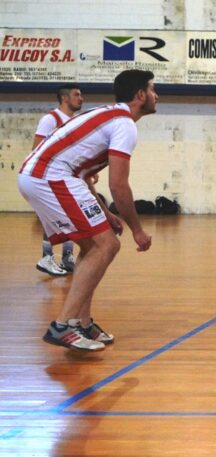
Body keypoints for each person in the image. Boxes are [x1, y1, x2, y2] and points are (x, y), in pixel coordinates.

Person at [18, 69, 158, 352]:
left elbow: (81, 171)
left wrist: (105, 213)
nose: (158, 96)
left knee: (93, 246)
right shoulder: (125, 124)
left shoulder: (109, 115)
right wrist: (138, 231)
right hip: (49, 176)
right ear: (140, 95)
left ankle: (81, 322)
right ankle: (63, 325)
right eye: (153, 90)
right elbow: (118, 186)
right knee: (107, 246)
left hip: (49, 175)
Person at [32, 84, 84, 276]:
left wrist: (84, 171)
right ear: (64, 98)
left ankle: (67, 257)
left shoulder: (75, 121)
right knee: (54, 217)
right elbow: (36, 149)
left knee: (70, 217)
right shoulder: (50, 119)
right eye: (77, 95)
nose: (81, 98)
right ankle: (46, 257)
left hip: (67, 176)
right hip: (47, 177)